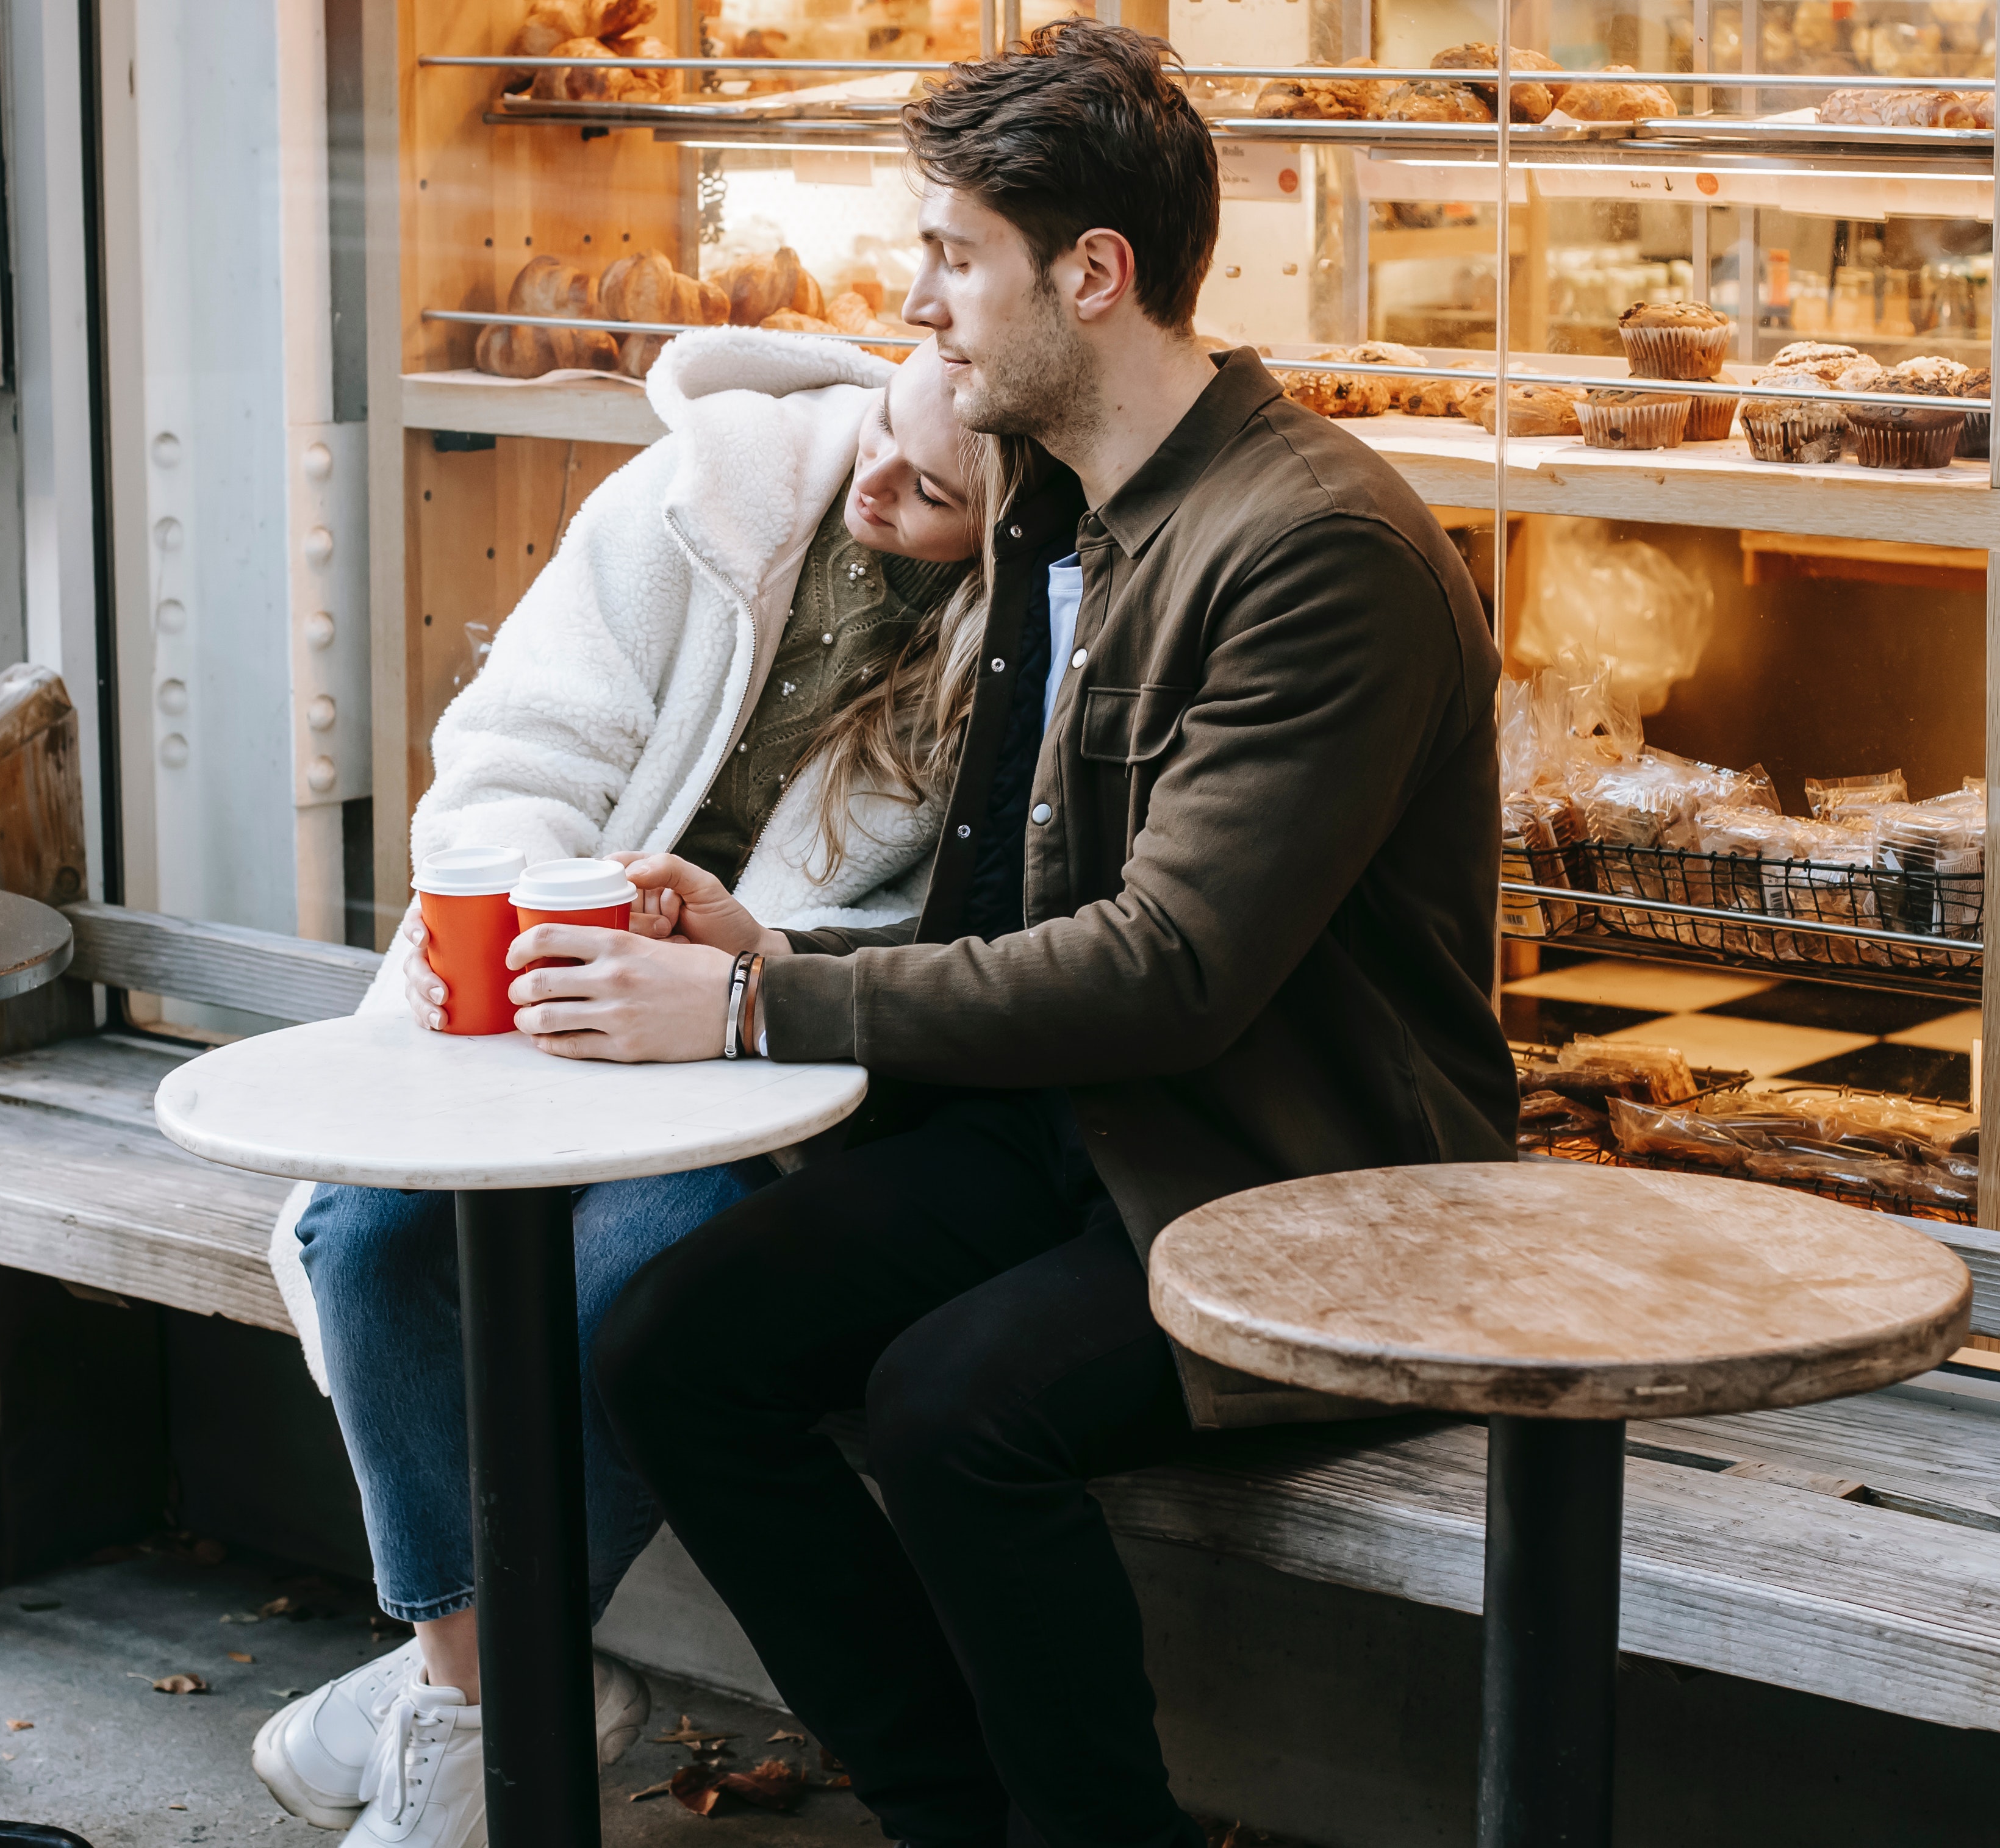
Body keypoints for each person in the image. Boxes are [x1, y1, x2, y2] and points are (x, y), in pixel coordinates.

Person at [468, 22, 1517, 1845]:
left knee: (956, 1410)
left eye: (955, 255)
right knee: (671, 1346)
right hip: (1079, 1132)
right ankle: (955, 1811)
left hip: (1302, 1178)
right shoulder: (1066, 509)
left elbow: (1171, 968)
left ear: (1089, 274)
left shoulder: (1314, 548)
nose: (920, 302)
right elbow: (996, 903)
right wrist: (756, 931)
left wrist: (749, 1001)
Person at [252, 331, 1029, 1843]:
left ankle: (459, 1703)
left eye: (930, 493)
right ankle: (491, 1691)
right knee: (368, 1231)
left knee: (636, 1277)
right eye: (880, 432)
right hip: (542, 987)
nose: (876, 482)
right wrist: (514, 904)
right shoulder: (702, 493)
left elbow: (937, 940)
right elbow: (517, 738)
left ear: (1007, 519)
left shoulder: (1016, 653)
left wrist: (750, 958)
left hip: (751, 1057)